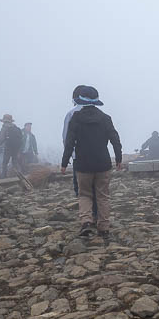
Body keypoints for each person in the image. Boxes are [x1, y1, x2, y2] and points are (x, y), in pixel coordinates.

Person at [61, 86, 122, 238]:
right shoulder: (105, 118)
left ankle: (86, 222)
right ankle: (104, 227)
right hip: (103, 163)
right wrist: (119, 159)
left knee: (85, 195)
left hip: (83, 164)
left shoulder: (76, 118)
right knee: (103, 196)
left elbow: (69, 142)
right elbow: (115, 140)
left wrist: (64, 162)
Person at [64, 85, 96, 220]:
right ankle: (97, 214)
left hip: (79, 156)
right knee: (97, 187)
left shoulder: (71, 114)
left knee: (81, 189)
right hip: (97, 155)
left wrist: (68, 156)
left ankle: (86, 216)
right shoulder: (98, 113)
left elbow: (66, 137)